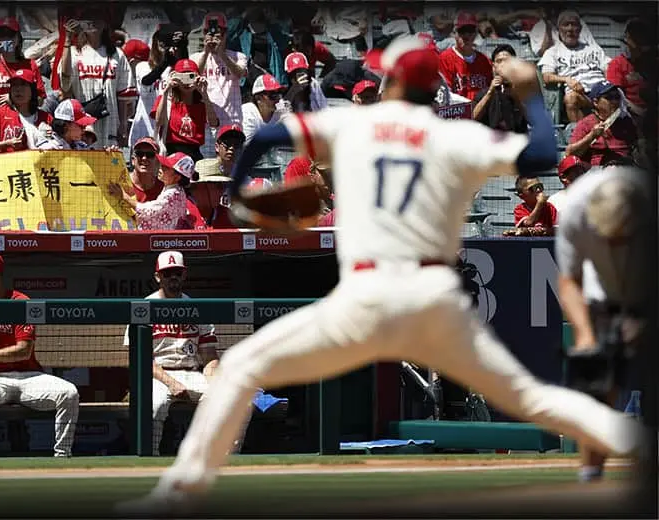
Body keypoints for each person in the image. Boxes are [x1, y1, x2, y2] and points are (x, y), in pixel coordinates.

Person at [116, 36, 642, 515]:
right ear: (431, 87)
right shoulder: (453, 135)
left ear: (390, 82)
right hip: (436, 299)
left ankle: (177, 496)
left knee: (240, 368)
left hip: (367, 297)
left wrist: (239, 193)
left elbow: (266, 136)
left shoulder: (355, 123)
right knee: (531, 399)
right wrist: (529, 95)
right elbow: (546, 155)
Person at [555, 166, 651, 483]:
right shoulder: (574, 211)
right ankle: (590, 474)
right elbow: (569, 281)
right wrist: (584, 336)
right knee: (597, 382)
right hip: (603, 294)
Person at [0, 249, 80, 458]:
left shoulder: (19, 301)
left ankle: (62, 455)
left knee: (69, 393)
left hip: (29, 377)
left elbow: (23, 351)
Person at [122, 251, 222, 455]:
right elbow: (139, 360)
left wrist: (215, 380)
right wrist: (170, 382)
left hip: (192, 373)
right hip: (157, 375)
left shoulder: (197, 308)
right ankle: (150, 459)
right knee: (155, 406)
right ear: (158, 277)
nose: (173, 277)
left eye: (177, 272)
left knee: (224, 400)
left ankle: (219, 459)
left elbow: (209, 357)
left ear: (184, 275)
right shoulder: (144, 307)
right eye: (167, 273)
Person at [59, 16, 135, 147]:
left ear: (105, 24)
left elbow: (123, 95)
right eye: (88, 17)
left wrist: (123, 125)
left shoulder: (117, 54)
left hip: (110, 122)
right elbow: (65, 83)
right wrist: (67, 39)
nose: (93, 22)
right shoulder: (74, 52)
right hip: (82, 123)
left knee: (108, 164)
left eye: (97, 17)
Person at [538, 11, 610, 123]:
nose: (570, 29)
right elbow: (547, 77)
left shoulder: (593, 48)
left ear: (580, 29)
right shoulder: (552, 52)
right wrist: (567, 79)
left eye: (574, 24)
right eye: (566, 24)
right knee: (570, 98)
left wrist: (611, 87)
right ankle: (583, 135)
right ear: (558, 29)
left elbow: (607, 67)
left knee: (613, 97)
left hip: (601, 91)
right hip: (581, 95)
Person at [0, 17, 47, 123]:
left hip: (21, 122)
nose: (6, 39)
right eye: (2, 36)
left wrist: (16, 100)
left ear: (18, 39)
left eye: (10, 35)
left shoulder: (30, 65)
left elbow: (40, 100)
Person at [150, 59, 219, 161]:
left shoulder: (202, 104)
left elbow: (213, 123)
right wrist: (166, 91)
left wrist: (204, 94)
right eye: (182, 77)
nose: (186, 82)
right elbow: (158, 122)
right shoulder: (166, 100)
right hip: (171, 153)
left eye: (190, 76)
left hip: (195, 154)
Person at [109, 152, 195, 230]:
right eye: (162, 165)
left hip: (159, 242)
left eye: (165, 167)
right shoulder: (177, 190)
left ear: (177, 177)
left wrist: (124, 196)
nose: (160, 168)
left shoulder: (172, 193)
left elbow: (147, 210)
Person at [192, 12, 248, 128]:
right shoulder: (195, 57)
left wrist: (222, 54)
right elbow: (193, 77)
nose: (213, 36)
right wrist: (206, 52)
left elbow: (240, 73)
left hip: (232, 120)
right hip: (206, 120)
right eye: (208, 32)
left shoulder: (238, 56)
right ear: (203, 33)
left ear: (225, 34)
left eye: (219, 33)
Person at [0, 69, 53, 153]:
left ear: (32, 90)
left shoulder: (46, 118)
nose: (18, 89)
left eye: (23, 85)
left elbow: (63, 146)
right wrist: (5, 144)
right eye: (14, 85)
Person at [566, 81, 638, 166]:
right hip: (599, 172)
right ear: (596, 102)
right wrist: (592, 136)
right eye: (609, 97)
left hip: (625, 168)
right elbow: (570, 154)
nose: (614, 101)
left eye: (617, 97)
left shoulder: (626, 121)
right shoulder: (586, 123)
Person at [437, 12, 493, 101]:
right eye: (462, 31)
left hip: (482, 110)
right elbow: (445, 94)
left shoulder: (484, 60)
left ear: (476, 33)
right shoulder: (445, 59)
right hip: (458, 110)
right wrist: (469, 104)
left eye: (470, 31)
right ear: (455, 33)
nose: (466, 36)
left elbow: (491, 91)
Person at [472, 44, 528, 133]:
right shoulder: (484, 92)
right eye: (499, 61)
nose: (503, 64)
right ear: (494, 67)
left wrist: (515, 97)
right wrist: (490, 93)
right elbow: (474, 116)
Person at [606, 18, 653, 118]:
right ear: (628, 41)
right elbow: (616, 96)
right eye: (637, 44)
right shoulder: (617, 64)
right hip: (628, 113)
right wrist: (636, 110)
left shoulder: (650, 63)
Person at [241, 74, 285, 144]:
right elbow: (246, 148)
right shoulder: (248, 112)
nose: (278, 99)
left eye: (279, 93)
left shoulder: (281, 112)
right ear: (258, 98)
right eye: (273, 95)